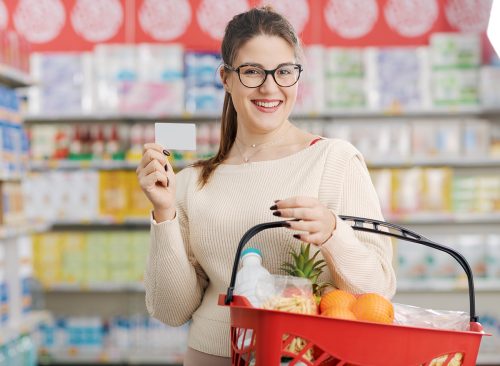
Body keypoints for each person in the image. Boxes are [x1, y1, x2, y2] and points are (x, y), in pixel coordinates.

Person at [136, 6, 396, 366]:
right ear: (226, 78)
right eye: (253, 71)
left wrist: (333, 232)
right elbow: (171, 310)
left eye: (284, 72)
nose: (270, 87)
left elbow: (378, 292)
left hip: (307, 356)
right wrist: (163, 213)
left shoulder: (334, 161)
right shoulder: (191, 181)